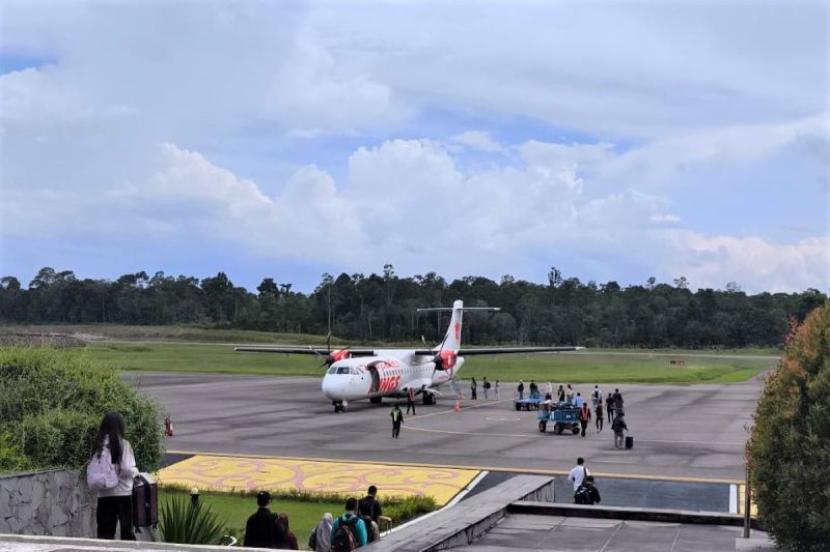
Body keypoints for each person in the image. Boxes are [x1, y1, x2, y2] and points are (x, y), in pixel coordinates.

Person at [92, 412, 139, 541]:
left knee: (104, 535)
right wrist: (135, 471)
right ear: (120, 426)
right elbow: (126, 469)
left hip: (104, 494)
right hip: (123, 494)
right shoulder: (124, 444)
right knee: (126, 535)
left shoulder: (98, 445)